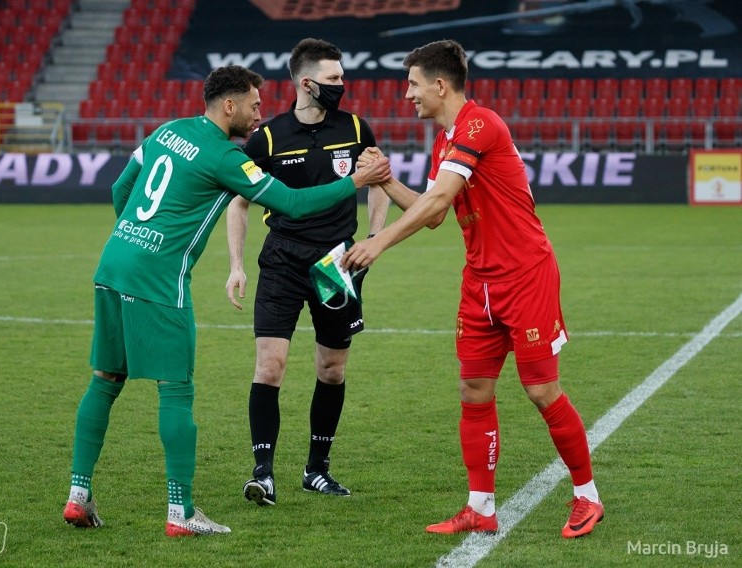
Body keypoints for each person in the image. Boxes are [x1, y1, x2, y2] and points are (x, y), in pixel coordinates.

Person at [61, 64, 391, 538]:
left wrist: (137, 234)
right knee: (176, 389)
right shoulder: (226, 158)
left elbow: (120, 190)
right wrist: (355, 184)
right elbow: (292, 205)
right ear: (230, 105)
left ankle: (78, 496)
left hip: (113, 264)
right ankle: (182, 513)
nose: (260, 115)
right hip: (158, 279)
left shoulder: (166, 130)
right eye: (254, 106)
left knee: (105, 379)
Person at [343, 40, 603, 538]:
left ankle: (587, 497)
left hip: (526, 274)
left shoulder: (481, 124)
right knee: (473, 388)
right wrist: (386, 179)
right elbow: (437, 212)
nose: (407, 95)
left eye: (414, 85)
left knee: (541, 389)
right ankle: (480, 507)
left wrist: (378, 244)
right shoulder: (445, 140)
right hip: (480, 279)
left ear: (441, 85)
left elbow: (440, 196)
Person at [225, 38, 390, 507]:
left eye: (342, 77)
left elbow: (378, 181)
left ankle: (316, 470)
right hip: (281, 258)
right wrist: (236, 265)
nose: (343, 85)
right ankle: (263, 473)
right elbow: (238, 202)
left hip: (337, 262)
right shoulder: (269, 137)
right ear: (307, 83)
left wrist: (373, 239)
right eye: (334, 78)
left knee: (332, 369)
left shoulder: (357, 128)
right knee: (270, 365)